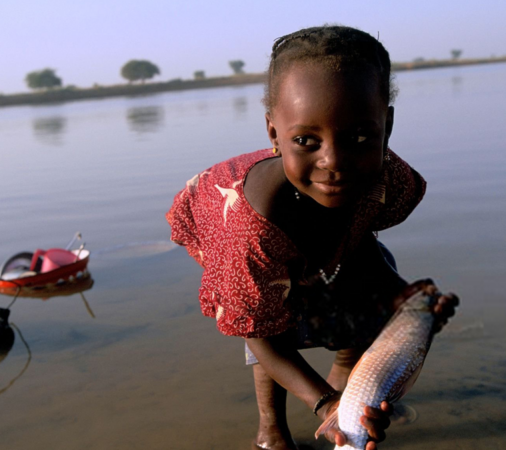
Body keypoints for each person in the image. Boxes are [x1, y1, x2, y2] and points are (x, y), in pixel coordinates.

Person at [166, 25, 458, 450]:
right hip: (224, 223)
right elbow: (259, 334)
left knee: (375, 275)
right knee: (269, 311)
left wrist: (408, 300)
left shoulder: (382, 177)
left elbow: (358, 244)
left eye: (360, 136)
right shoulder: (248, 234)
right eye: (306, 140)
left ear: (387, 126)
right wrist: (325, 405)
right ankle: (271, 431)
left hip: (300, 231)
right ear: (273, 134)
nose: (334, 162)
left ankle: (345, 368)